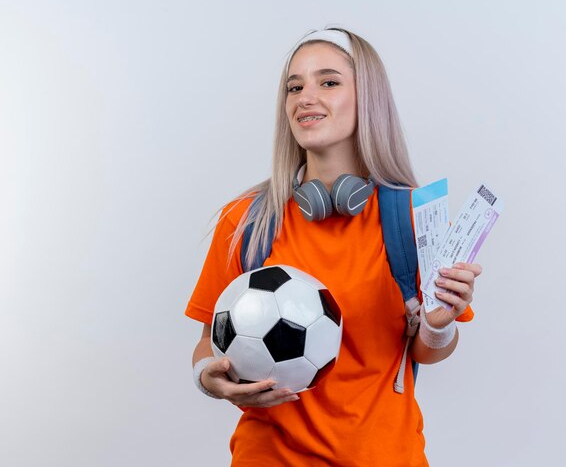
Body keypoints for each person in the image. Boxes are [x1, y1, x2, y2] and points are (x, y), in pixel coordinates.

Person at [186, 27, 482, 466]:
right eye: (294, 86)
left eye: (328, 82)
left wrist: (439, 324)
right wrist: (207, 379)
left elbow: (427, 352)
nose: (305, 97)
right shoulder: (247, 220)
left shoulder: (415, 219)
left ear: (368, 98)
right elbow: (208, 344)